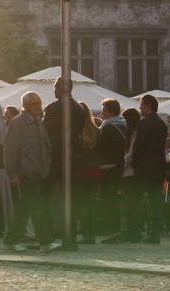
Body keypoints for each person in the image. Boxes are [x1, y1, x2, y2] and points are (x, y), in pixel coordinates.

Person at [3, 91, 61, 252]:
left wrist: (46, 165)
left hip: (39, 172)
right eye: (35, 104)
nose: (38, 106)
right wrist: (12, 173)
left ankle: (10, 240)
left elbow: (47, 147)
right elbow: (10, 150)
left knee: (25, 208)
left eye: (39, 103)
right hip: (25, 172)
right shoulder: (17, 123)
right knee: (37, 206)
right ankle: (45, 242)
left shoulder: (39, 122)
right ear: (25, 106)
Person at [42, 76, 86, 243]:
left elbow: (44, 133)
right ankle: (71, 235)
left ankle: (47, 233)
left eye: (55, 88)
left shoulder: (53, 108)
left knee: (43, 195)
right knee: (71, 198)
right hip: (72, 158)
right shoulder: (78, 108)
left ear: (61, 88)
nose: (54, 91)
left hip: (54, 157)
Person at [127, 95, 168, 244]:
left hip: (145, 168)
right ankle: (155, 234)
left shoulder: (144, 123)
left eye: (142, 105)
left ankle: (134, 232)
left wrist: (135, 164)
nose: (140, 108)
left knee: (132, 199)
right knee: (155, 201)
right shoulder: (161, 124)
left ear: (148, 106)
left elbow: (139, 146)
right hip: (158, 168)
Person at [98, 98, 126, 241]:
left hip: (108, 166)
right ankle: (117, 230)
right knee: (114, 199)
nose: (102, 114)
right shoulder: (123, 125)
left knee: (109, 200)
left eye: (104, 111)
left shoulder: (108, 127)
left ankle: (114, 232)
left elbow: (99, 146)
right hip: (119, 165)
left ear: (111, 111)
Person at [75, 102, 101, 244]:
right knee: (91, 202)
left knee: (82, 203)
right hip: (94, 169)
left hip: (80, 169)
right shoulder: (96, 130)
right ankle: (91, 232)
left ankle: (86, 233)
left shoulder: (76, 130)